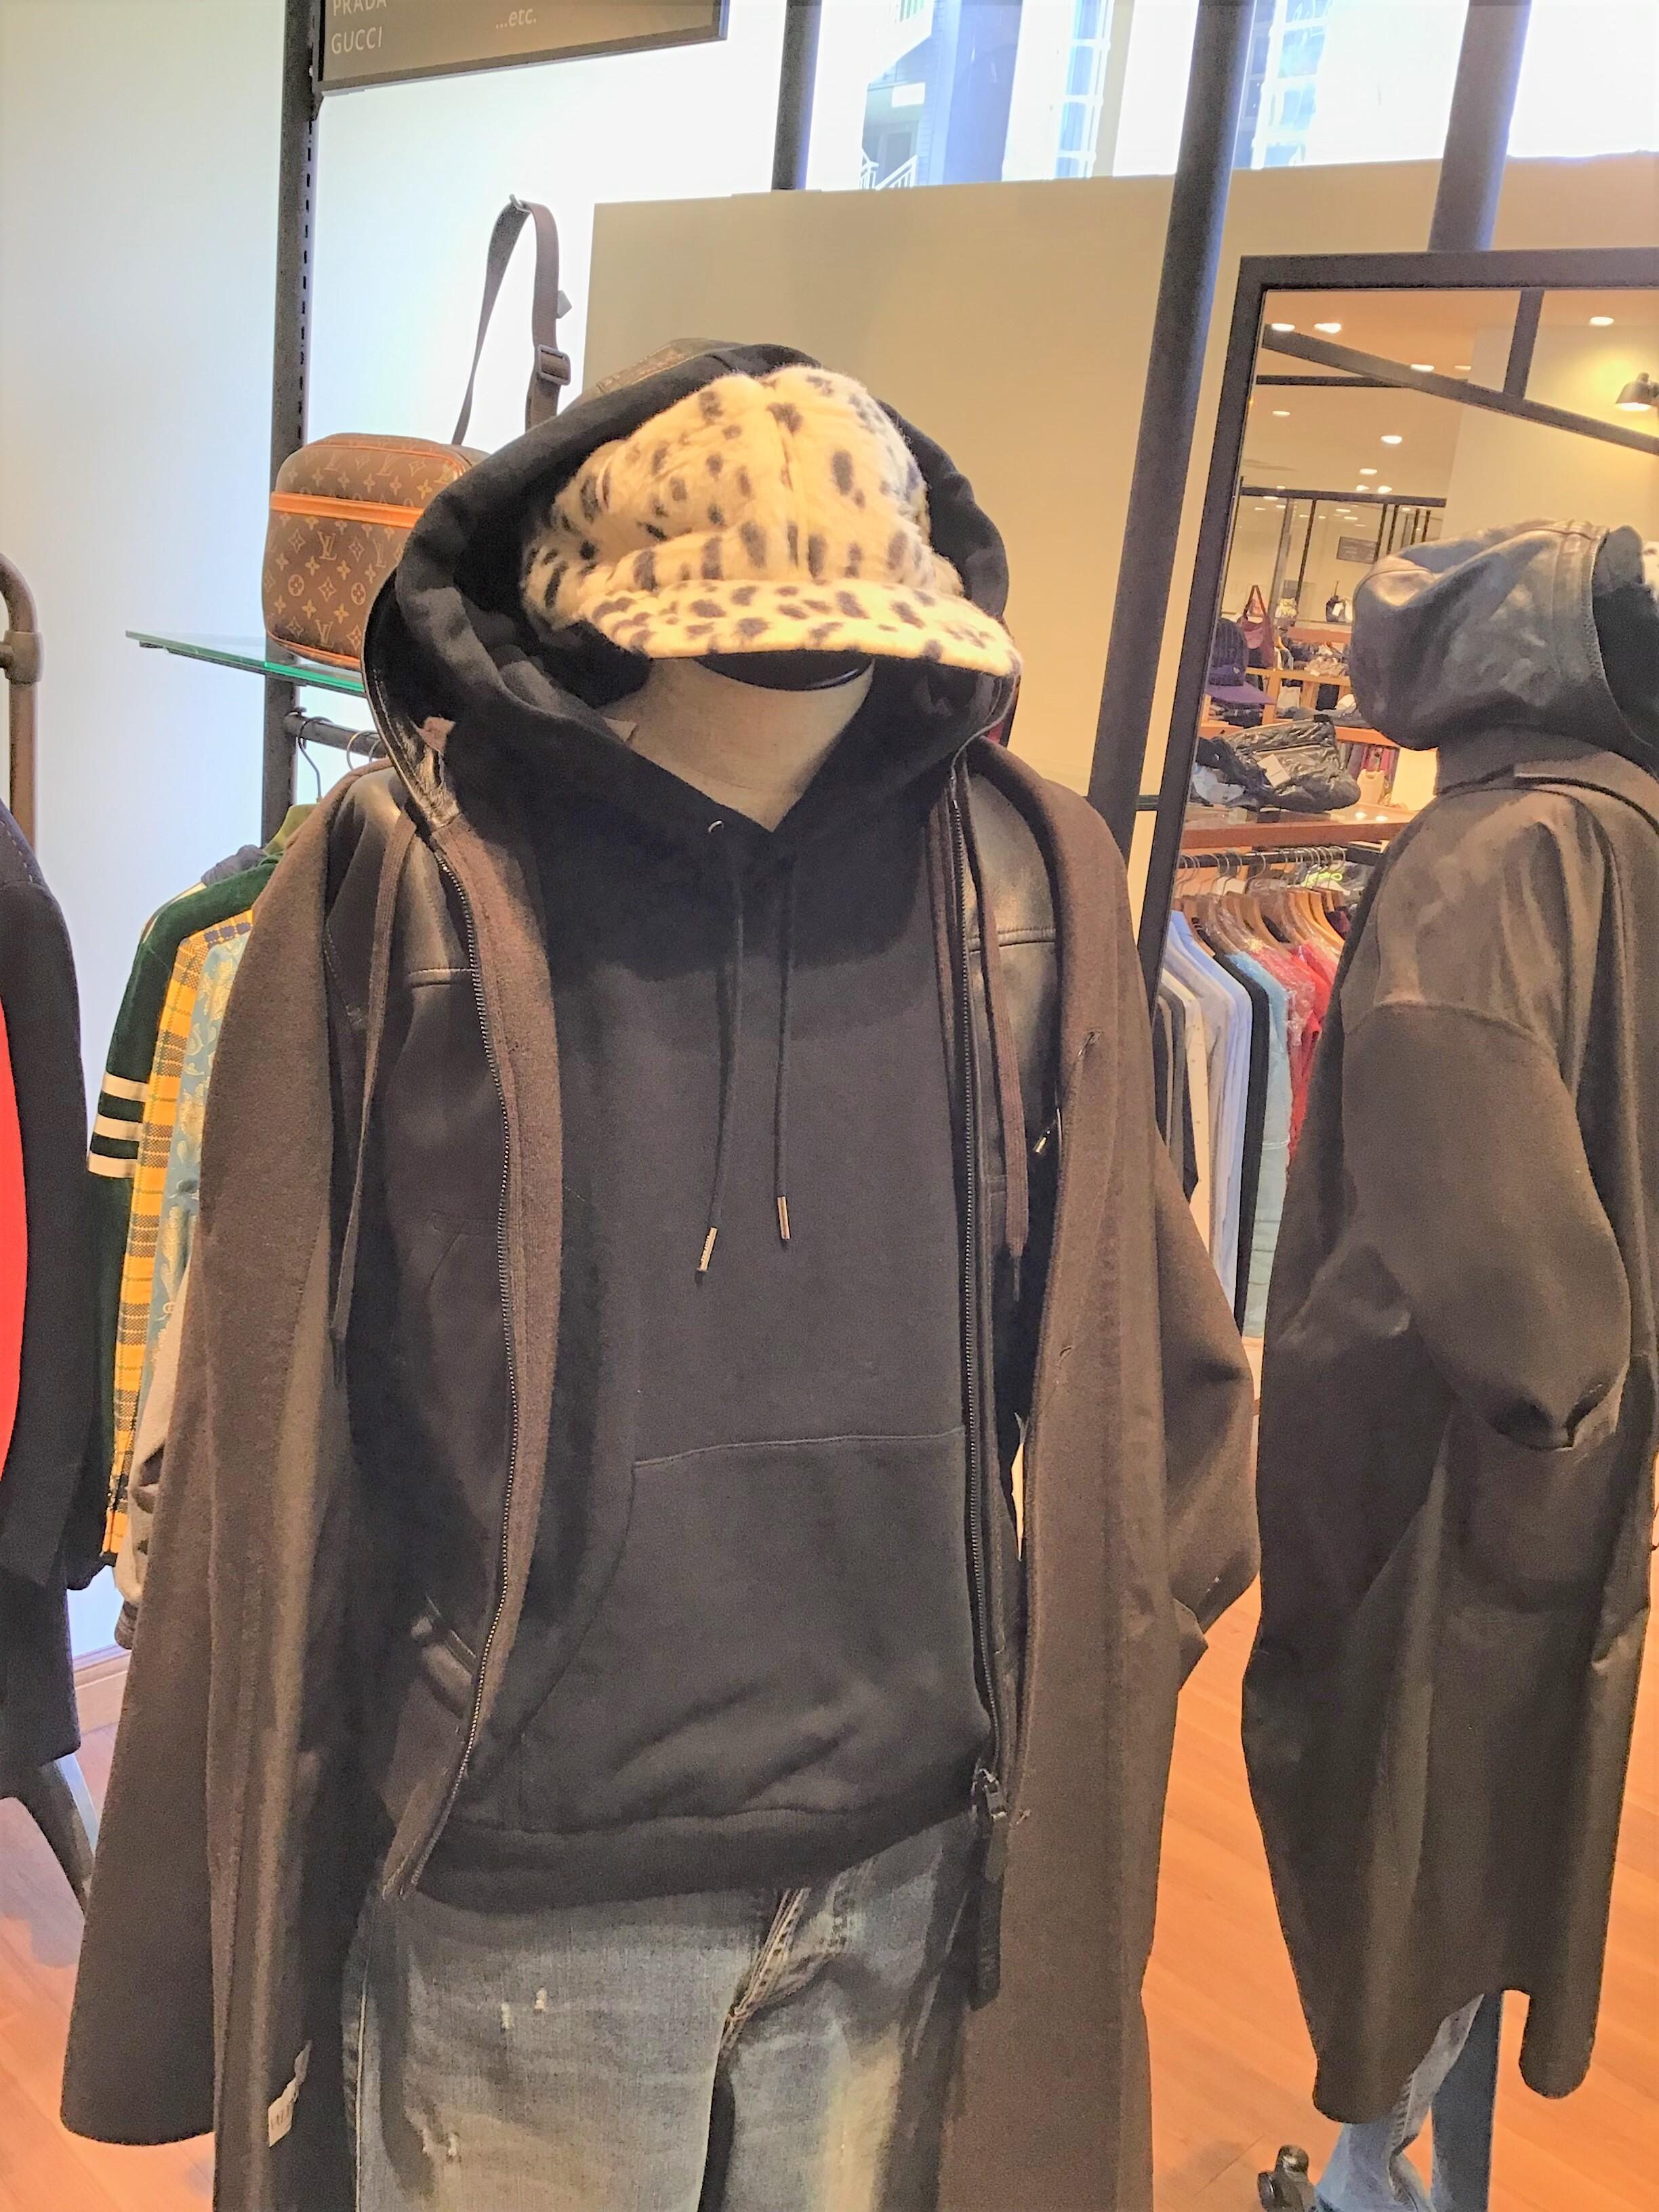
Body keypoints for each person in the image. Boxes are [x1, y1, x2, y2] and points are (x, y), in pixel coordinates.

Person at [65, 344, 1256, 2212]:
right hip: (520, 1893)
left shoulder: (1029, 884)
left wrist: (1089, 1675)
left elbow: (1151, 1386)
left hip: (907, 1874)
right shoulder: (403, 878)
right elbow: (263, 1421)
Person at [1248, 519, 1659, 2212]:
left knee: (1418, 1809)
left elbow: (1458, 1125)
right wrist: (1583, 1393)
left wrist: (1564, 1385)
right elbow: (1469, 1112)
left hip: (1453, 1442)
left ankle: (1381, 2173)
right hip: (1507, 1444)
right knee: (1472, 1807)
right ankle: (1396, 2166)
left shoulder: (1511, 844)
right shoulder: (1583, 841)